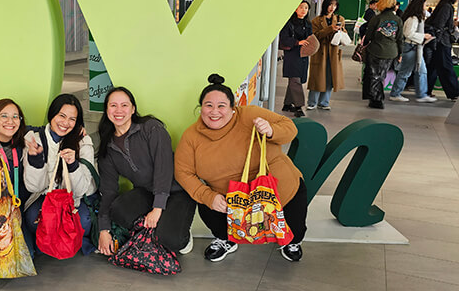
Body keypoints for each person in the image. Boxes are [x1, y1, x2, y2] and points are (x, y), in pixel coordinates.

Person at [174, 74, 308, 262]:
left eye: (221, 106)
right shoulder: (191, 136)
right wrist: (208, 196)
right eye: (208, 105)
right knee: (206, 203)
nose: (214, 112)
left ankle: (292, 241)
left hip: (275, 189)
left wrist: (271, 131)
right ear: (200, 108)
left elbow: (289, 128)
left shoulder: (250, 115)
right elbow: (183, 172)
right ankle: (226, 239)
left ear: (233, 108)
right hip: (230, 199)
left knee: (294, 224)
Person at [96, 87, 196, 256]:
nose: (119, 110)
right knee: (118, 210)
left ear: (133, 109)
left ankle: (178, 229)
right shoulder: (108, 147)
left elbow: (164, 169)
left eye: (124, 105)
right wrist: (103, 230)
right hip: (146, 192)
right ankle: (159, 227)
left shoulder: (151, 128)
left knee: (173, 240)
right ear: (107, 110)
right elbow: (108, 191)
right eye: (113, 105)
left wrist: (157, 208)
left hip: (177, 190)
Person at [23, 94, 97, 256]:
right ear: (52, 114)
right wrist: (36, 161)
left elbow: (81, 190)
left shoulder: (83, 142)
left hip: (75, 199)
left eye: (72, 119)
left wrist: (73, 166)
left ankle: (62, 240)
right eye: (62, 116)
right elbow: (33, 187)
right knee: (33, 220)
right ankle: (57, 241)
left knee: (83, 222)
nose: (65, 123)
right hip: (46, 197)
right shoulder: (35, 140)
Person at [389, 0, 438, 103]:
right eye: (425, 4)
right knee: (407, 72)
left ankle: (421, 94)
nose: (426, 6)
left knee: (420, 71)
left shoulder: (414, 18)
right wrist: (424, 36)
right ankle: (396, 93)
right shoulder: (413, 19)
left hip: (414, 47)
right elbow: (408, 33)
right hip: (412, 47)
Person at [362, 0, 403, 109]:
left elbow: (369, 36)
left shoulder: (376, 19)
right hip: (391, 52)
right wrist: (400, 53)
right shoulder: (398, 20)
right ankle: (376, 98)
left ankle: (377, 100)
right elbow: (400, 39)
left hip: (376, 50)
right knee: (381, 75)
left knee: (375, 76)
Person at [307, 0, 345, 110]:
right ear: (325, 5)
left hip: (333, 52)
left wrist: (340, 31)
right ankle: (312, 102)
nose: (332, 8)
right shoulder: (316, 20)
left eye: (335, 5)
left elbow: (344, 35)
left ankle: (324, 102)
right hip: (320, 52)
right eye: (330, 4)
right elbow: (315, 36)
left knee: (330, 77)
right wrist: (330, 29)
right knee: (317, 78)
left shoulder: (340, 19)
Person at [424, 0, 459, 100]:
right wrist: (438, 41)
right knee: (446, 67)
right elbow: (440, 25)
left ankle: (426, 91)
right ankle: (454, 93)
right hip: (442, 42)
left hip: (439, 41)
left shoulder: (443, 6)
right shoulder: (447, 7)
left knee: (433, 67)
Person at [279, 0, 314, 118]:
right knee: (295, 80)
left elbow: (311, 38)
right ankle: (299, 106)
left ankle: (287, 104)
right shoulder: (288, 23)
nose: (304, 10)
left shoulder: (308, 24)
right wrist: (297, 42)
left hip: (304, 56)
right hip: (292, 55)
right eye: (301, 7)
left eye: (306, 8)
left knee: (296, 80)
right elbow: (284, 39)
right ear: (295, 9)